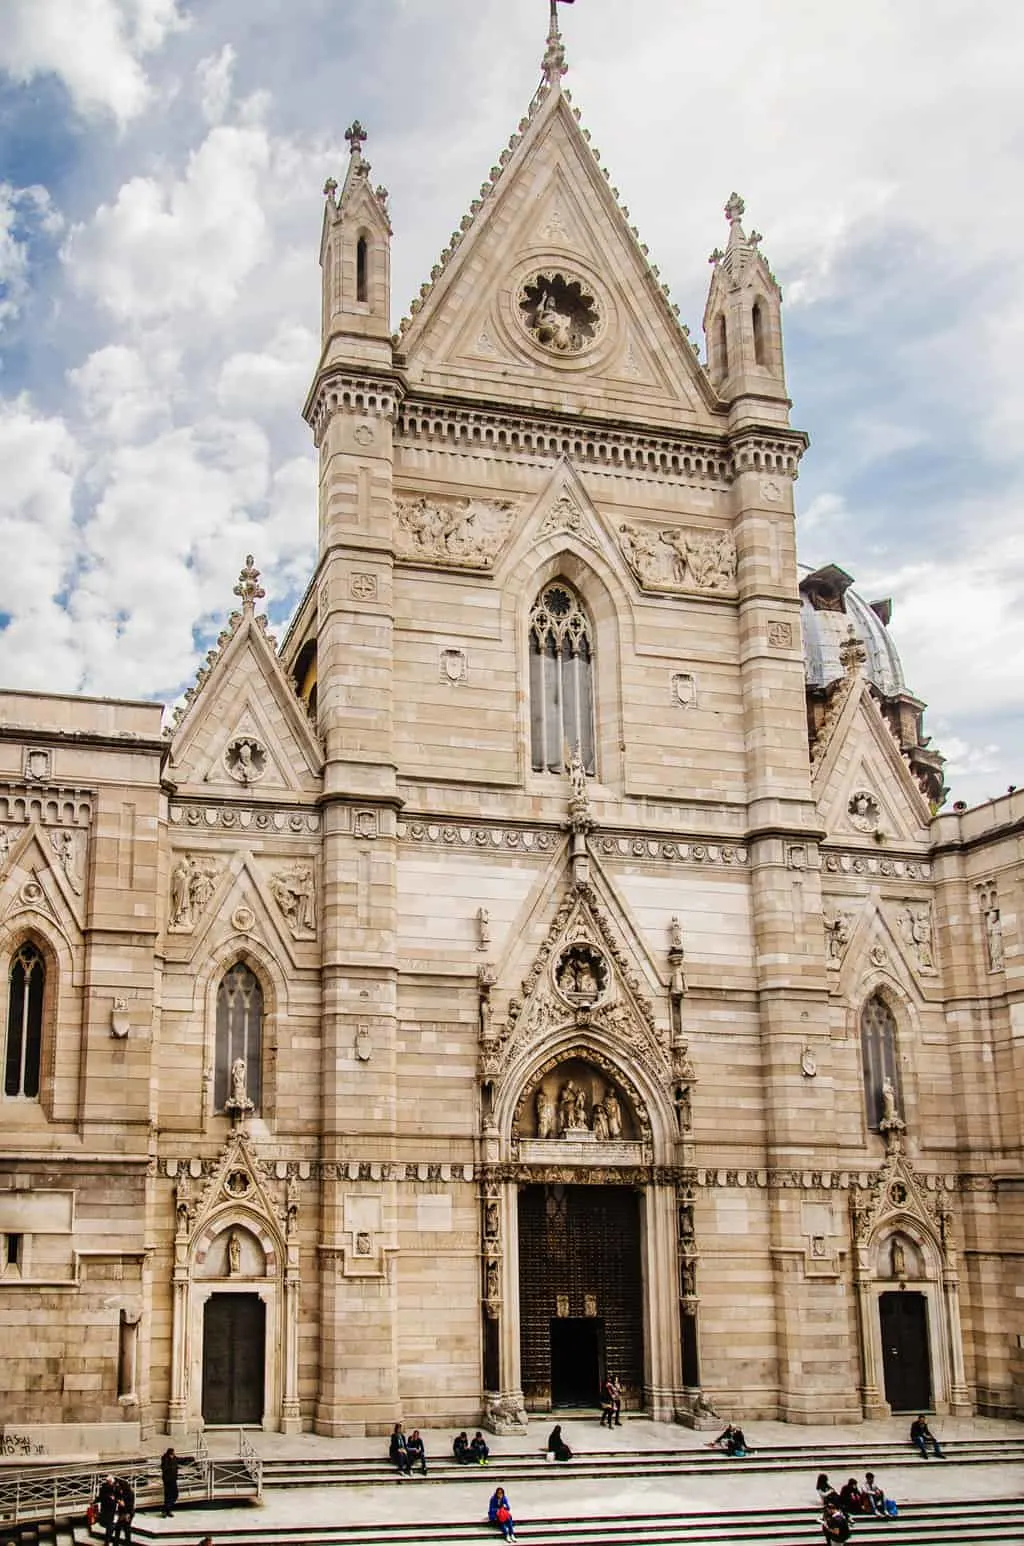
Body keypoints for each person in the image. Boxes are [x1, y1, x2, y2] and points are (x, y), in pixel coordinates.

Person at [113, 1477, 135, 1546]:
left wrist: (124, 1505)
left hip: (127, 1512)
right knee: (118, 1528)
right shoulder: (118, 1490)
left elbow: (130, 1505)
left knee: (126, 1529)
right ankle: (116, 1543)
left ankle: (127, 1543)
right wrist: (118, 1501)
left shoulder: (130, 1493)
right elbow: (116, 1497)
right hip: (122, 1512)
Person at [160, 1450, 182, 1519]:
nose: (173, 1455)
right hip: (167, 1480)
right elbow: (164, 1467)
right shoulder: (165, 1459)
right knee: (168, 1496)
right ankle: (166, 1511)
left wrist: (191, 1458)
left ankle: (166, 1510)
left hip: (173, 1479)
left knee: (175, 1495)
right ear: (169, 1454)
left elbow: (181, 1459)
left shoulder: (174, 1458)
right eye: (172, 1454)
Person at [97, 1475, 118, 1545]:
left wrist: (94, 1502)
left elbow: (99, 1497)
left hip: (105, 1509)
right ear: (110, 1482)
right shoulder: (111, 1489)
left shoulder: (103, 1488)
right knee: (109, 1525)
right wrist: (114, 1499)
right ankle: (107, 1541)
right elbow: (110, 1499)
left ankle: (108, 1540)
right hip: (110, 1510)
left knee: (108, 1524)